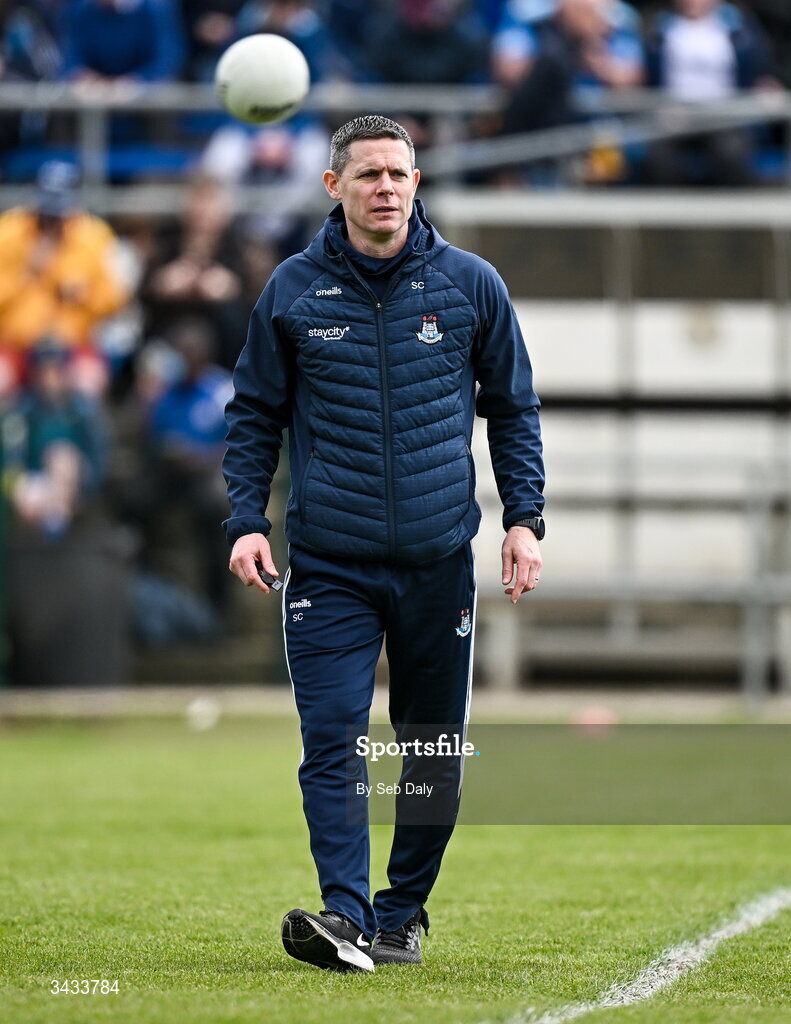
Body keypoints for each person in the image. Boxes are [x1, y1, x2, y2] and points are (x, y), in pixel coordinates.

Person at [223, 115, 545, 972]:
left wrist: (524, 519)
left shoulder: (472, 285)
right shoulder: (291, 292)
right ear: (333, 186)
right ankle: (345, 915)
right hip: (328, 562)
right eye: (367, 174)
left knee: (430, 748)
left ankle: (400, 914)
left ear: (416, 181)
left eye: (398, 173)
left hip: (440, 561)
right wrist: (246, 521)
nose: (386, 187)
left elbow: (513, 409)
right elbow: (253, 415)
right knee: (332, 738)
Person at [0, 161, 129, 362]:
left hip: (73, 345)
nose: (51, 221)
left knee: (88, 380)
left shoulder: (96, 236)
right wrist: (25, 274)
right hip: (13, 344)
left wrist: (86, 295)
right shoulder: (7, 231)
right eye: (46, 213)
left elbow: (117, 300)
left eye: (57, 214)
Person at [644, 0, 776, 186]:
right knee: (659, 157)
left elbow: (758, 70)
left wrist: (763, 84)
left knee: (731, 152)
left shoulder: (739, 24)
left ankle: (738, 212)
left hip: (725, 114)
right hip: (675, 116)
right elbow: (648, 75)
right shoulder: (658, 26)